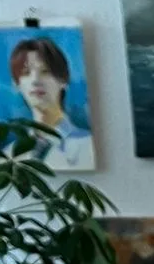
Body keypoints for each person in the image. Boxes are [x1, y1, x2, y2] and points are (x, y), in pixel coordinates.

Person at [7, 35, 94, 172]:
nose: (35, 80)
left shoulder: (87, 144)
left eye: (45, 72)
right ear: (17, 84)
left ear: (63, 80)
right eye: (26, 73)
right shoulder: (9, 154)